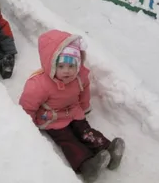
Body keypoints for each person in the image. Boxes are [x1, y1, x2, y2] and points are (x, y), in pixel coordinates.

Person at [19, 29, 125, 182]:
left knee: (85, 131)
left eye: (71, 66)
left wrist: (84, 106)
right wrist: (27, 123)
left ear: (78, 64)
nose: (66, 71)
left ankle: (108, 150)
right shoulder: (39, 84)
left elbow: (84, 92)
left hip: (73, 112)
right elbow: (28, 105)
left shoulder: (79, 78)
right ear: (51, 65)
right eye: (60, 66)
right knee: (68, 140)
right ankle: (87, 166)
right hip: (52, 119)